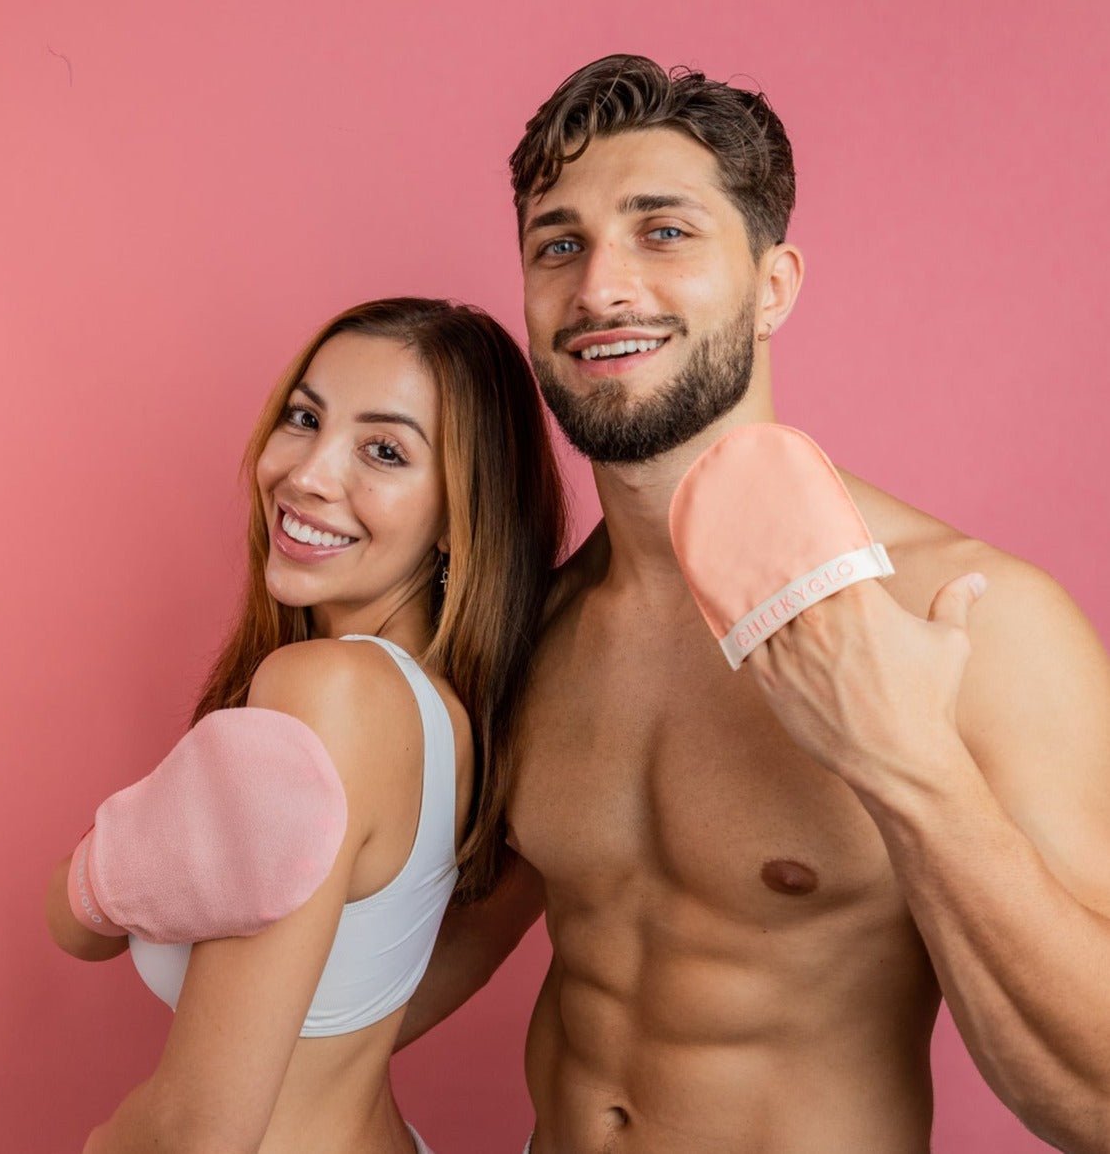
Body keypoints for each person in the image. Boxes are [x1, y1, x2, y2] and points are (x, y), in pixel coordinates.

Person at [397, 57, 1110, 1153]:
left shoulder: (967, 616)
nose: (599, 289)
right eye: (558, 244)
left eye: (663, 231)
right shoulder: (531, 625)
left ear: (772, 286)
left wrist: (908, 766)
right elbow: (438, 956)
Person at [44, 297, 566, 1154]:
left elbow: (198, 1136)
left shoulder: (325, 695)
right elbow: (355, 1022)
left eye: (385, 450)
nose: (310, 474)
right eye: (304, 417)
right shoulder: (448, 721)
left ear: (459, 516)